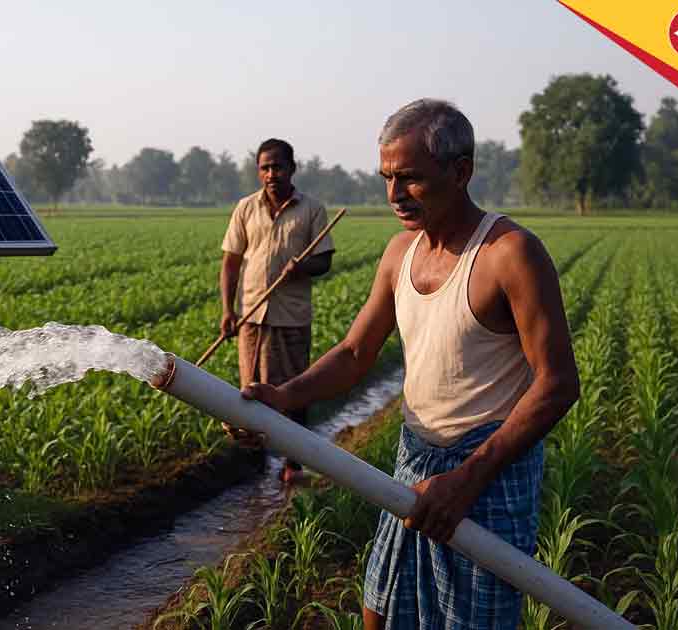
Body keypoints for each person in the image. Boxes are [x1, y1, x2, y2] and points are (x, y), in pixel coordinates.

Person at [242, 100, 579, 628]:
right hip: (414, 465)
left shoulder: (509, 254)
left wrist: (468, 478)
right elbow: (356, 353)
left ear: (460, 171)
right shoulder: (401, 252)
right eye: (386, 178)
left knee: (470, 620)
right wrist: (284, 396)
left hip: (487, 474)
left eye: (411, 179)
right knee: (380, 609)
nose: (395, 194)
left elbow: (557, 385)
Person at [220, 138, 335, 483]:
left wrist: (302, 267)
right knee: (249, 392)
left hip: (290, 318)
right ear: (259, 172)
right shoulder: (246, 208)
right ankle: (252, 463)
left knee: (293, 391)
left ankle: (293, 463)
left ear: (292, 168)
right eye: (265, 168)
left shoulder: (312, 209)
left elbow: (324, 261)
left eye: (278, 166)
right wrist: (228, 310)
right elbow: (231, 262)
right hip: (252, 316)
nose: (272, 173)